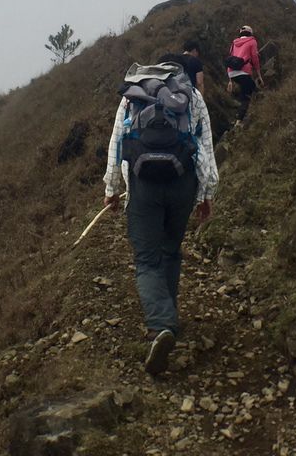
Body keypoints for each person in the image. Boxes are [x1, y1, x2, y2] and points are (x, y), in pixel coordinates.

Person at [103, 62, 218, 376]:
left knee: (146, 258)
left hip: (144, 185)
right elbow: (205, 144)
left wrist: (112, 188)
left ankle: (160, 325)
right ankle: (168, 318)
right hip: (183, 181)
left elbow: (117, 141)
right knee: (170, 249)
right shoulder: (190, 94)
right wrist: (207, 193)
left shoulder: (132, 92)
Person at [226, 25, 264, 126]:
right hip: (243, 72)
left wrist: (230, 80)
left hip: (232, 73)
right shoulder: (252, 41)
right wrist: (259, 75)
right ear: (250, 33)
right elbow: (255, 58)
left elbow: (230, 59)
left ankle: (239, 118)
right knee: (248, 94)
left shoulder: (234, 43)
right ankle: (239, 121)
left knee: (246, 91)